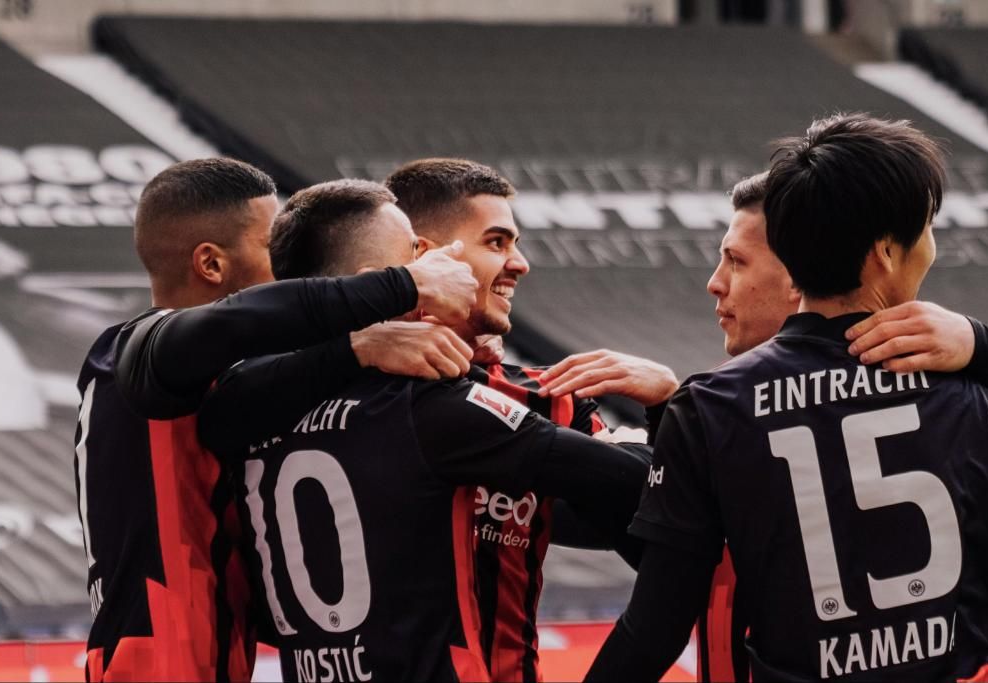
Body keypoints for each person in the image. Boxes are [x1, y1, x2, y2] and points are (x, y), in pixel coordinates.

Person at [586, 113, 988, 681]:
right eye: (926, 228)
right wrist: (986, 350)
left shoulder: (710, 405)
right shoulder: (979, 398)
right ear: (886, 252)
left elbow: (653, 630)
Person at [195, 177, 652, 682]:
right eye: (415, 257)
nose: (432, 267)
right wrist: (667, 413)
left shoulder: (254, 404)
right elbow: (637, 490)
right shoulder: (430, 404)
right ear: (377, 283)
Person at [75, 159, 478, 682]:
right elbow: (237, 324)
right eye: (272, 245)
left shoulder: (213, 373)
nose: (289, 264)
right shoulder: (144, 348)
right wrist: (402, 286)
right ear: (211, 264)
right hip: (161, 660)